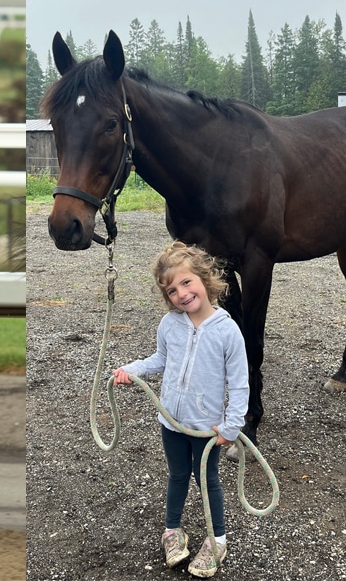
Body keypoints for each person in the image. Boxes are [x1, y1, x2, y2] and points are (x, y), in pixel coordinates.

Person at [111, 242, 249, 578]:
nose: (182, 294)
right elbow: (160, 358)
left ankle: (217, 540)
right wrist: (131, 370)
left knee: (207, 481)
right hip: (171, 422)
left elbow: (239, 383)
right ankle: (172, 531)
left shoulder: (228, 331)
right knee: (176, 475)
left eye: (187, 283)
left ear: (205, 278)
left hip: (205, 428)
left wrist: (231, 426)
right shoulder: (170, 324)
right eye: (172, 290)